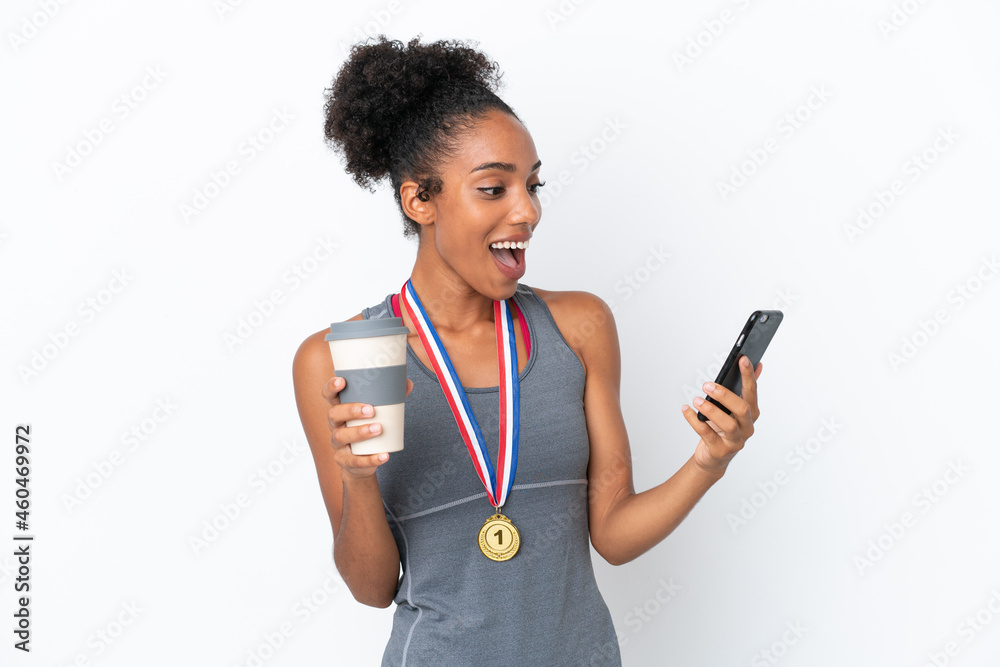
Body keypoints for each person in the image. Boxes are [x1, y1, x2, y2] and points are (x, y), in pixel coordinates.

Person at [291, 35, 764, 666]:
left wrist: (709, 460)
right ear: (419, 200)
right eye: (494, 189)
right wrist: (358, 477)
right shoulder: (343, 356)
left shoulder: (579, 326)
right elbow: (371, 587)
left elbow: (614, 534)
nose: (529, 211)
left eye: (533, 186)